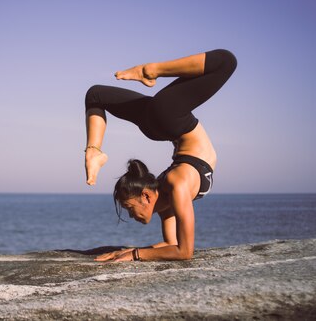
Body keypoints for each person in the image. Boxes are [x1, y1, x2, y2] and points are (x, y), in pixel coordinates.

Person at [83, 49, 237, 262]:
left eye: (129, 208)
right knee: (95, 95)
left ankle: (151, 70)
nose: (130, 216)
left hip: (169, 118)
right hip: (160, 123)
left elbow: (184, 252)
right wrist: (126, 253)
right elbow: (172, 246)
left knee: (226, 61)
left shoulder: (175, 183)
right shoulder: (168, 196)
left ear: (146, 195)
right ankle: (94, 152)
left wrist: (134, 255)